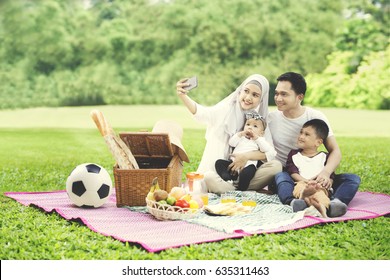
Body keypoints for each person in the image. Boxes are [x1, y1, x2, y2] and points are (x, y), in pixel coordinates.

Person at [268, 72, 360, 217]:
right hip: (291, 177)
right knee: (280, 176)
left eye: (284, 94)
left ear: (300, 97)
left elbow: (335, 151)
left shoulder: (315, 117)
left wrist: (325, 173)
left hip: (318, 178)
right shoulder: (270, 119)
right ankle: (293, 202)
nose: (278, 98)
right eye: (276, 93)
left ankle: (336, 203)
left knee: (352, 179)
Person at [176, 74, 282, 194]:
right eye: (246, 91)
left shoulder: (258, 121)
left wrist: (246, 157)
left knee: (276, 166)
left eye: (255, 95)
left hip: (245, 174)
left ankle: (234, 191)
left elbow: (270, 153)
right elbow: (202, 113)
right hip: (221, 174)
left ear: (261, 100)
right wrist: (183, 95)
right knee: (208, 177)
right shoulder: (225, 109)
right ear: (239, 91)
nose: (248, 97)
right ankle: (237, 192)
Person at [215, 111, 277, 191]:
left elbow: (266, 149)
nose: (250, 127)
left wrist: (257, 138)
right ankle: (228, 179)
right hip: (233, 163)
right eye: (248, 124)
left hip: (249, 165)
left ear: (261, 133)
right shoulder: (242, 138)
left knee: (247, 174)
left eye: (255, 126)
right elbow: (232, 143)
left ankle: (241, 189)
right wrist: (240, 134)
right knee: (219, 163)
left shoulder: (260, 140)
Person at [287, 119, 334, 217]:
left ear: (318, 142)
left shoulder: (325, 157)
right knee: (299, 188)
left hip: (319, 186)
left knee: (321, 195)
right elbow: (293, 172)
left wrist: (324, 183)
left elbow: (330, 175)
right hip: (302, 183)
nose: (301, 136)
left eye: (306, 134)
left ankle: (321, 208)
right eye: (301, 133)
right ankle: (303, 197)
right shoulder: (294, 155)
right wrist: (307, 182)